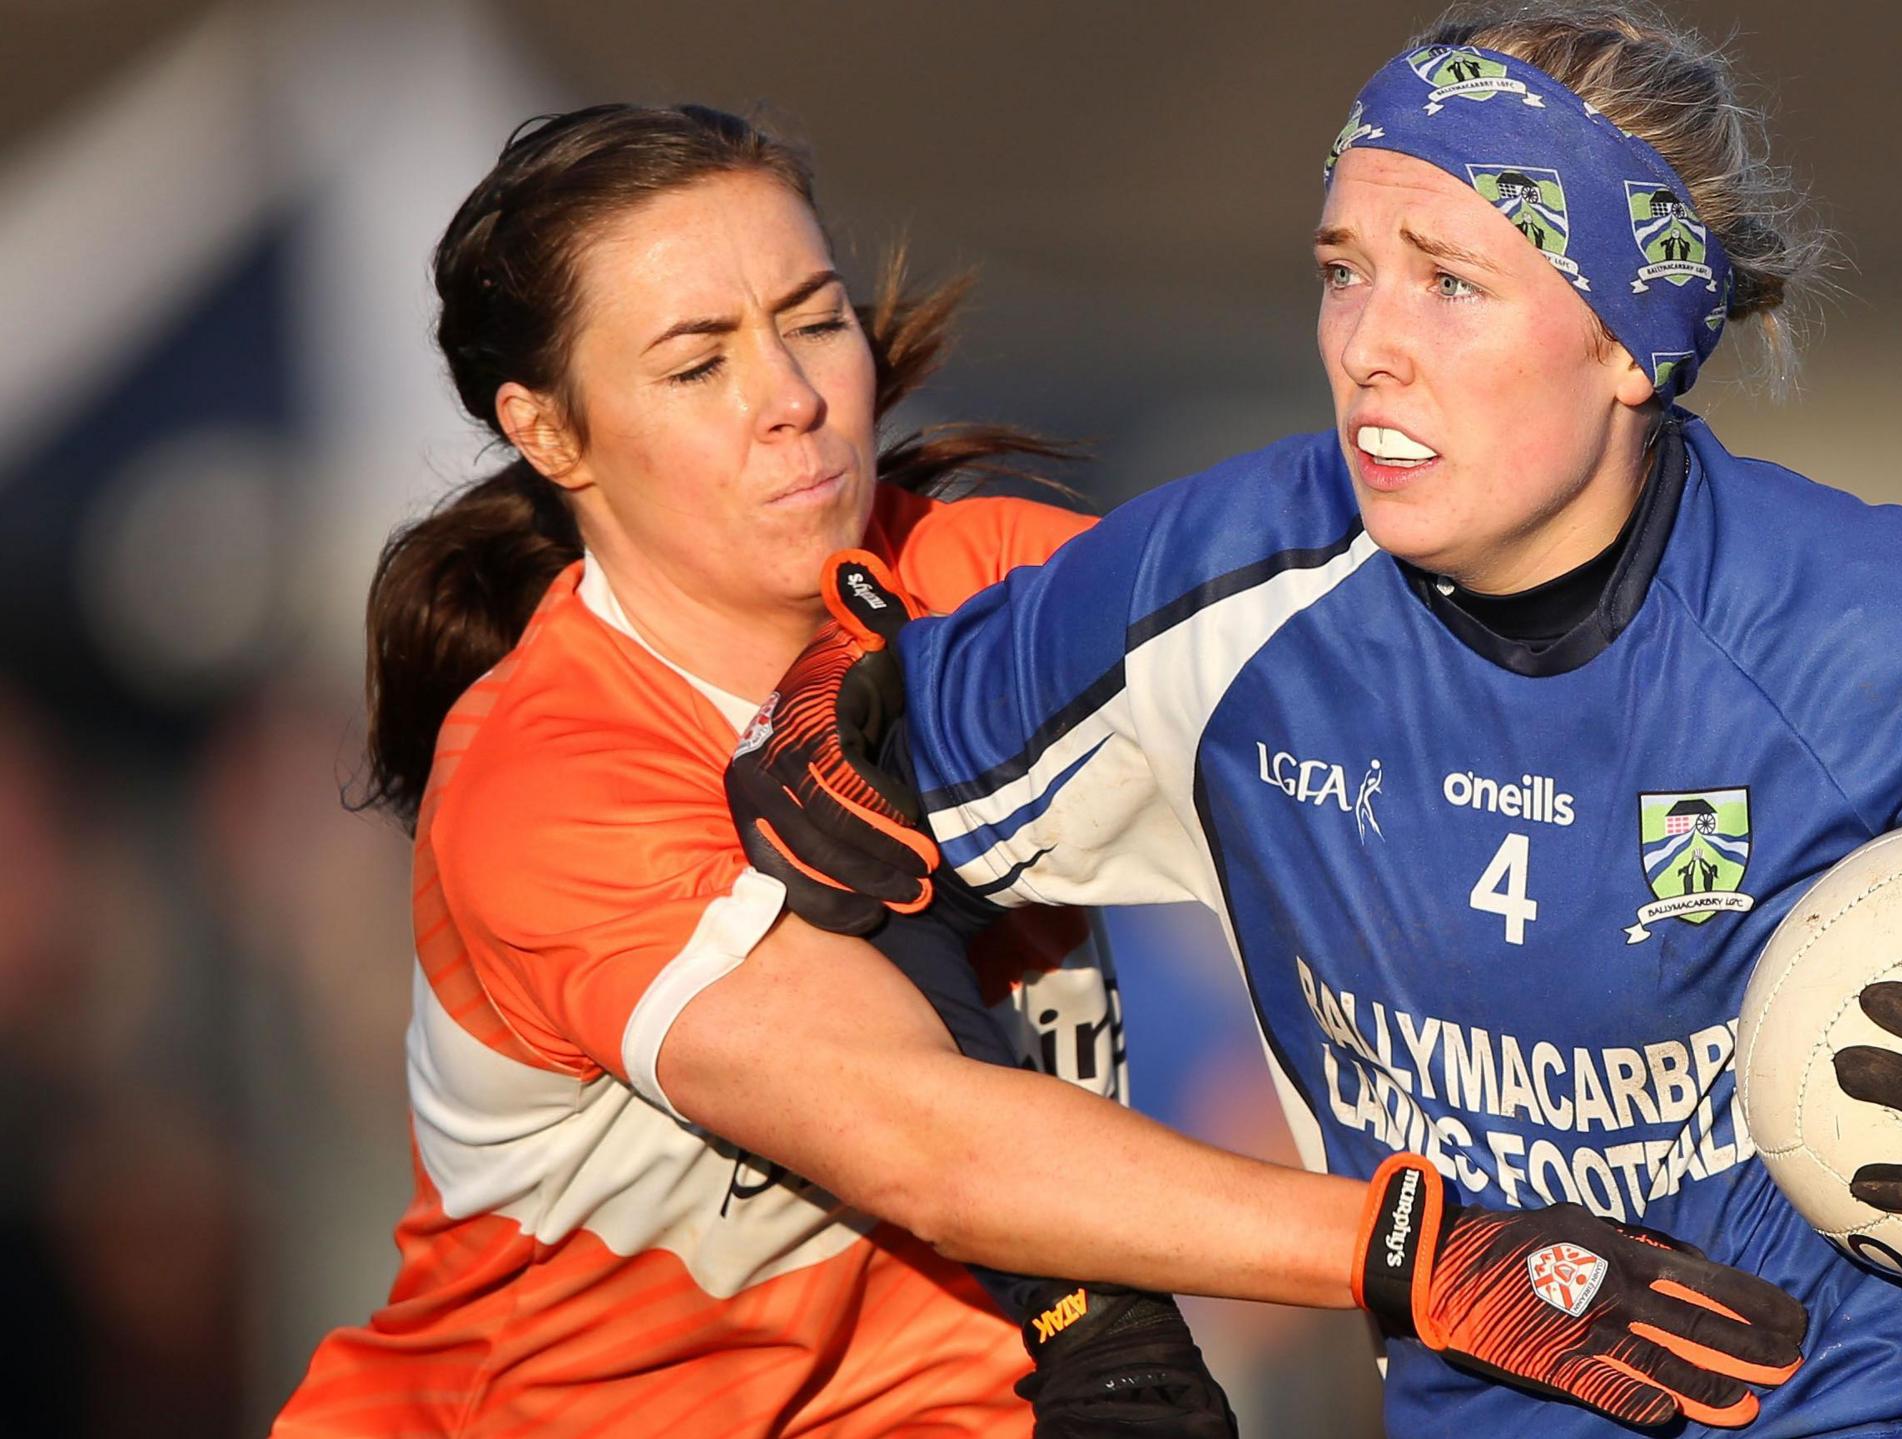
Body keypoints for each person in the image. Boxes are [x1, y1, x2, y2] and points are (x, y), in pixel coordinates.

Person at [731, 6, 1902, 1436]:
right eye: (1341, 271)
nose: (1367, 346)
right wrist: (1082, 1297)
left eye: (1448, 283)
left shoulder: (1890, 634)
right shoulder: (1220, 579)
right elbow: (841, 841)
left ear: (1626, 343)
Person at [275, 103, 1804, 1438]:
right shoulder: (548, 777)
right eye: (697, 364)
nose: (793, 397)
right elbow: (922, 1135)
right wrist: (1416, 1250)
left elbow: (1416, 733)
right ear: (550, 433)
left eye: (812, 320)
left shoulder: (992, 587)